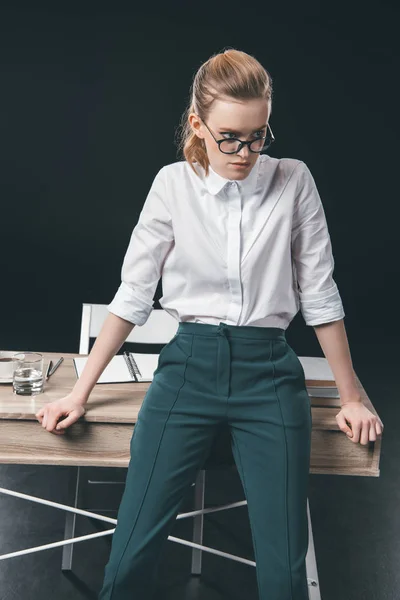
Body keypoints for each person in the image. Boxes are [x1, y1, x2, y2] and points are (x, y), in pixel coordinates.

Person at [36, 48, 383, 600]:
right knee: (127, 561)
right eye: (229, 137)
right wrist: (80, 392)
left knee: (284, 575)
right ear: (197, 124)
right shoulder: (172, 185)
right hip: (187, 370)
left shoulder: (294, 181)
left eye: (257, 135)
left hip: (269, 374)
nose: (244, 151)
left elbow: (319, 293)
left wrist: (352, 396)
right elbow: (133, 295)